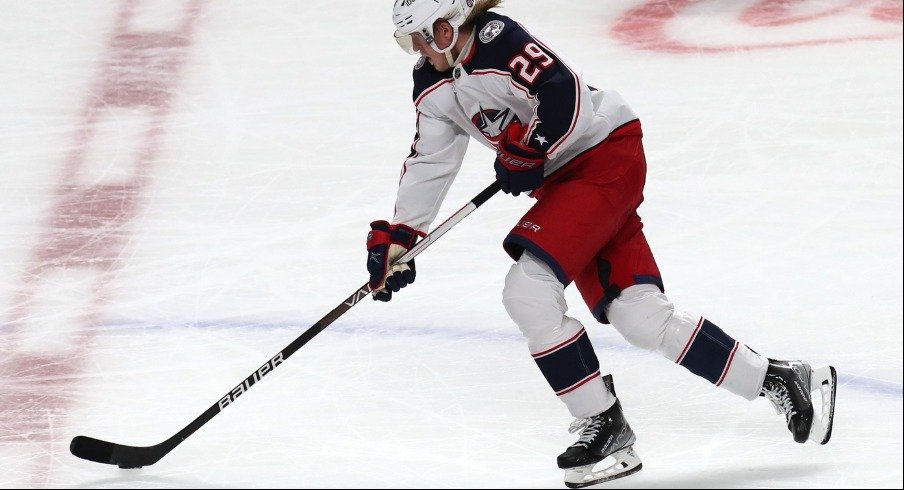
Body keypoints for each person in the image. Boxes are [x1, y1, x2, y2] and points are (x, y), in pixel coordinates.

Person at [366, 0, 837, 486]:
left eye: (430, 35)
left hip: (603, 157)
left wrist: (532, 148)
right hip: (569, 182)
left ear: (454, 22)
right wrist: (403, 234)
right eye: (412, 42)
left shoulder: (496, 37)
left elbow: (562, 92)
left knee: (527, 291)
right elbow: (429, 160)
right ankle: (779, 378)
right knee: (639, 316)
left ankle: (602, 421)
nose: (423, 50)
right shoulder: (431, 81)